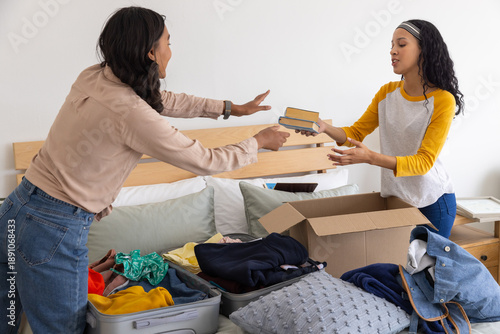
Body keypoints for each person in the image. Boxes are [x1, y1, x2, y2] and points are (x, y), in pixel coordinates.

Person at [0, 6, 289, 334]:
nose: (171, 50)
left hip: (16, 210)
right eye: (168, 42)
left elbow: (163, 99)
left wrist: (229, 108)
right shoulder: (132, 114)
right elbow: (206, 161)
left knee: (6, 317)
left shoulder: (94, 76)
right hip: (54, 231)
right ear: (151, 52)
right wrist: (258, 142)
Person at [299, 20, 463, 239]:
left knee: (423, 272)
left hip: (432, 202)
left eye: (401, 45)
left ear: (425, 50)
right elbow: (356, 133)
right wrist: (326, 128)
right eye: (392, 45)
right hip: (396, 200)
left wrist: (370, 157)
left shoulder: (443, 100)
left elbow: (424, 162)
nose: (393, 51)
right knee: (395, 269)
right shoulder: (387, 93)